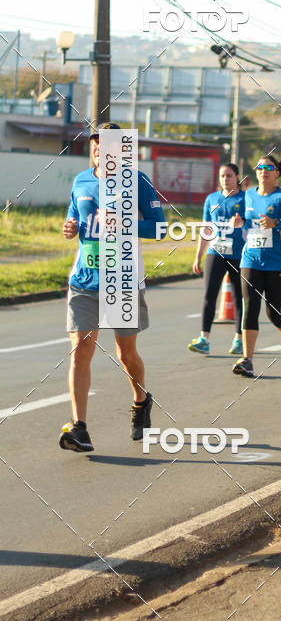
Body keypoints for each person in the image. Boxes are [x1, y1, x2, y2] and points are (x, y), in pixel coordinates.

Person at [60, 122, 166, 452]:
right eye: (94, 143)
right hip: (85, 279)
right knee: (81, 350)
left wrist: (127, 223)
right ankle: (80, 428)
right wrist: (70, 226)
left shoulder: (137, 181)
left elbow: (160, 228)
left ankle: (141, 400)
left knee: (125, 353)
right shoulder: (81, 181)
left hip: (122, 280)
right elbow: (74, 219)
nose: (98, 148)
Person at [231, 154, 281, 378]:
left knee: (273, 311)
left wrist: (277, 223)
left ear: (277, 172)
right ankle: (247, 359)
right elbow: (246, 220)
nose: (263, 171)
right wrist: (239, 222)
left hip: (277, 261)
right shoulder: (248, 195)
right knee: (250, 308)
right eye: (259, 167)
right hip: (251, 259)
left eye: (268, 167)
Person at [188, 163, 245, 355]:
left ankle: (239, 339)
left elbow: (252, 225)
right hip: (215, 252)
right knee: (209, 295)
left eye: (229, 175)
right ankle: (204, 338)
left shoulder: (245, 199)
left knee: (239, 297)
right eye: (222, 176)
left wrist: (241, 223)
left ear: (237, 177)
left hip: (238, 254)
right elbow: (206, 229)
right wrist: (198, 256)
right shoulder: (211, 199)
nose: (225, 179)